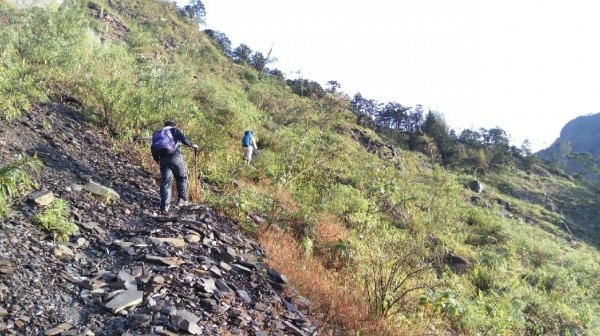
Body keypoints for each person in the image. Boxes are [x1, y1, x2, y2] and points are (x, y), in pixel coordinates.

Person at [151, 121, 198, 214]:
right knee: (182, 176)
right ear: (173, 126)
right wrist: (193, 145)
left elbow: (153, 148)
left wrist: (158, 160)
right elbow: (184, 140)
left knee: (166, 182)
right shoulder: (175, 130)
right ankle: (182, 199)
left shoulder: (158, 134)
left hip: (163, 159)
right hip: (175, 157)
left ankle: (164, 206)